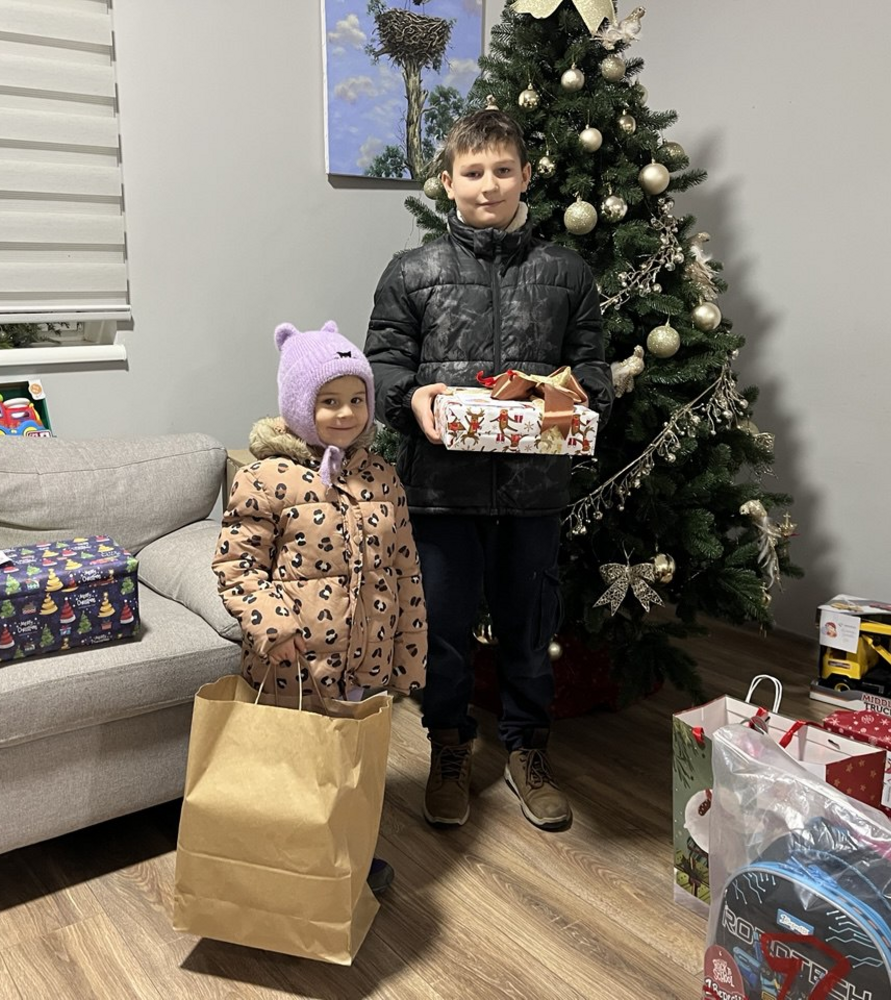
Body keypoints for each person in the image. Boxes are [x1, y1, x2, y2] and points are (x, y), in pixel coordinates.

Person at [364, 108, 614, 832]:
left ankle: (527, 750)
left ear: (525, 176)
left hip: (534, 494)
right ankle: (449, 747)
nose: (489, 184)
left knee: (529, 629)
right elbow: (384, 365)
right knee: (443, 631)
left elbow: (593, 368)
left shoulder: (566, 273)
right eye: (472, 172)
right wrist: (409, 397)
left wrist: (574, 395)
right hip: (442, 493)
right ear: (448, 182)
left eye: (503, 170)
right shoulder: (413, 272)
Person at [212, 319, 427, 892]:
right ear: (297, 404)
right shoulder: (265, 479)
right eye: (328, 401)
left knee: (350, 769)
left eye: (357, 399)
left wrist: (408, 655)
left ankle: (345, 859)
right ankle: (283, 875)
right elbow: (237, 566)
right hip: (295, 666)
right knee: (292, 772)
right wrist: (273, 624)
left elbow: (405, 569)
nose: (346, 413)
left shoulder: (382, 476)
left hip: (366, 664)